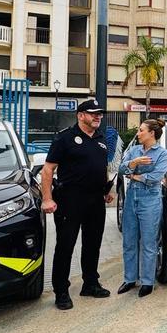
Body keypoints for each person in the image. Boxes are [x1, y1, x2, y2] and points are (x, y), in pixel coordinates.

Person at [40, 98, 115, 310]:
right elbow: (48, 170)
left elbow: (102, 168)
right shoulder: (65, 138)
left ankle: (90, 283)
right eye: (93, 113)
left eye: (99, 113)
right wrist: (47, 199)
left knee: (93, 244)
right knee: (66, 245)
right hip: (70, 199)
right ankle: (61, 291)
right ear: (81, 115)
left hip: (95, 200)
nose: (98, 116)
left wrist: (105, 191)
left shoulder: (101, 139)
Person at [118, 119, 167, 297]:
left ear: (151, 134)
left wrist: (135, 175)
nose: (138, 133)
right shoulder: (134, 150)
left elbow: (156, 177)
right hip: (132, 197)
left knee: (148, 242)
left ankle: (147, 281)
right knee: (129, 240)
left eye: (141, 131)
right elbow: (121, 169)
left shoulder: (162, 154)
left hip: (150, 199)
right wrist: (134, 163)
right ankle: (130, 278)